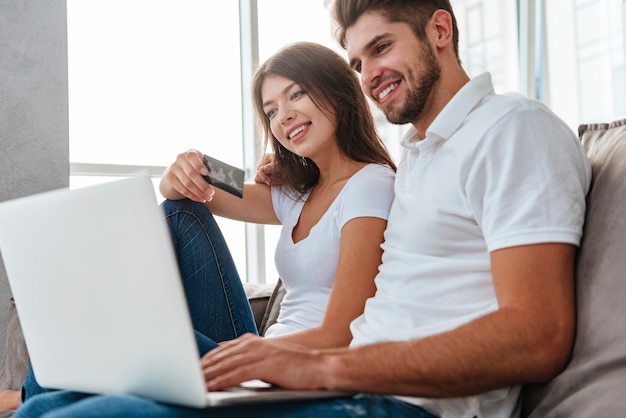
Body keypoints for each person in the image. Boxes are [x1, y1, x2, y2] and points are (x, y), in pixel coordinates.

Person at [13, 1, 592, 417]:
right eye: (359, 62)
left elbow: (539, 333)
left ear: (441, 28)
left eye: (382, 47)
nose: (370, 74)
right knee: (89, 369)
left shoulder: (505, 129)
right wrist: (188, 165)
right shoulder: (415, 156)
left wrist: (314, 366)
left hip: (378, 395)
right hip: (334, 381)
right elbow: (211, 189)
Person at [11, 41, 395, 415]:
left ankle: (23, 395)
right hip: (259, 359)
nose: (284, 116)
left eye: (296, 95)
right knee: (181, 212)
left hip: (286, 367)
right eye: (271, 110)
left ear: (339, 91)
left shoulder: (369, 185)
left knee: (106, 329)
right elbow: (187, 191)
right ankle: (30, 396)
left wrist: (252, 355)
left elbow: (340, 334)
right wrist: (189, 162)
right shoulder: (296, 194)